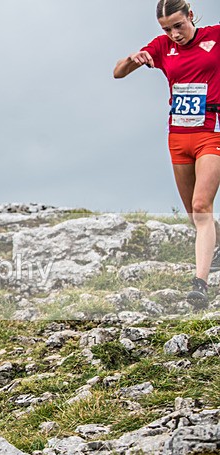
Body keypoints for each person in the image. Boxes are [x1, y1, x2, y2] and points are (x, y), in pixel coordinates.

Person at [114, 0, 220, 308]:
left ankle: (199, 284)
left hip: (210, 133)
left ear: (190, 16)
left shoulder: (215, 37)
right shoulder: (161, 47)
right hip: (178, 137)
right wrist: (133, 59)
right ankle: (216, 244)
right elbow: (118, 73)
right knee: (193, 214)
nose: (174, 34)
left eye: (178, 25)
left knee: (202, 205)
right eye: (166, 29)